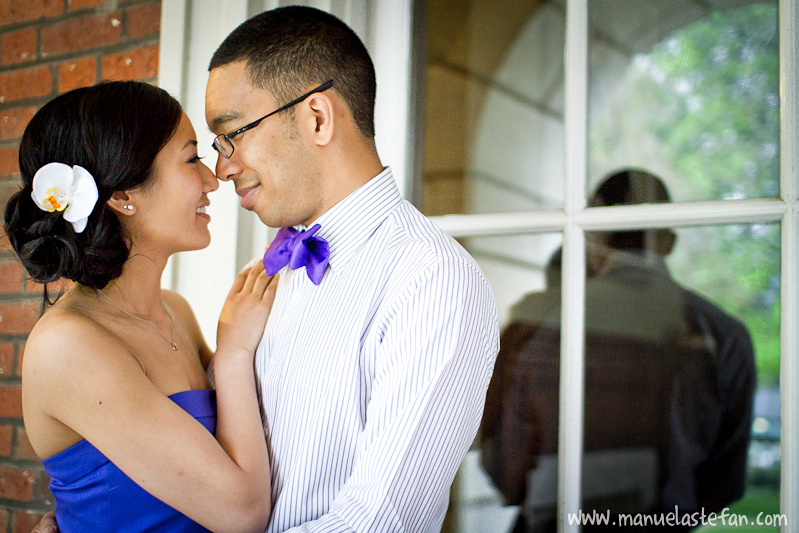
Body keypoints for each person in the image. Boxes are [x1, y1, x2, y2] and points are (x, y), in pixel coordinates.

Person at [33, 6, 500, 532]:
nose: (222, 168)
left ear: (317, 118)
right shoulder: (265, 274)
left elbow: (379, 523)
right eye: (208, 149)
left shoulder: (431, 282)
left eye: (232, 134)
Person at [6, 81, 277, 533]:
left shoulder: (176, 312)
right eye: (191, 158)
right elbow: (243, 514)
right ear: (122, 195)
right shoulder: (67, 346)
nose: (213, 178)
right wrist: (232, 354)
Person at [483, 169, 756, 530]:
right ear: (668, 242)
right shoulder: (724, 334)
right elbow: (723, 481)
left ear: (592, 233)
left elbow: (504, 461)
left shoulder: (537, 322)